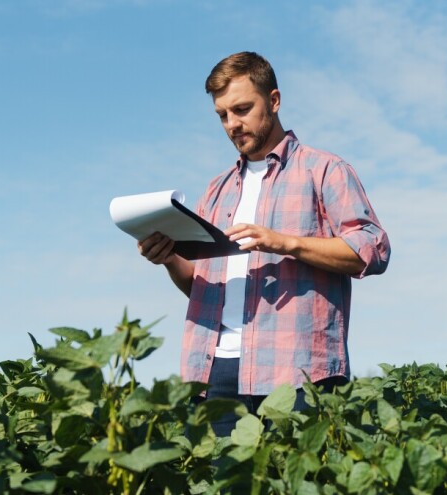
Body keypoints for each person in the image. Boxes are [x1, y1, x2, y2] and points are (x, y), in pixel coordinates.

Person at [138, 51, 389, 436]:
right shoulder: (217, 190)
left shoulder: (324, 170)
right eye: (222, 115)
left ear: (274, 100)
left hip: (299, 373)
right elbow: (202, 289)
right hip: (215, 374)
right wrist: (170, 258)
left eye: (242, 109)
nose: (232, 124)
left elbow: (372, 249)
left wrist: (284, 242)